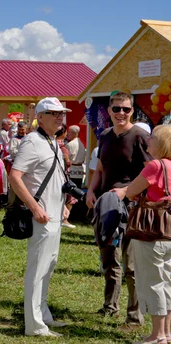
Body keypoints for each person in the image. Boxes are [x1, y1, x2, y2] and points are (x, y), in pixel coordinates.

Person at [86, 91, 150, 329]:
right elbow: (100, 169)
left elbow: (149, 173)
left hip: (131, 208)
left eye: (126, 109)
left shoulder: (140, 136)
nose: (121, 113)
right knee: (108, 259)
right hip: (105, 206)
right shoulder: (104, 135)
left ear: (132, 111)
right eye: (116, 109)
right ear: (109, 111)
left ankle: (134, 317)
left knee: (131, 265)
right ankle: (109, 306)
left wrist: (127, 191)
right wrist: (91, 191)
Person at [9, 97, 69, 337]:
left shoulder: (52, 141)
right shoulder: (32, 141)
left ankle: (43, 315)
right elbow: (15, 177)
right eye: (53, 113)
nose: (59, 117)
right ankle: (34, 324)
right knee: (38, 269)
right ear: (40, 117)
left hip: (55, 215)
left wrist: (65, 206)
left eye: (61, 113)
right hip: (41, 217)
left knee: (49, 266)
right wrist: (35, 208)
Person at [111, 125, 171, 344]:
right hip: (170, 231)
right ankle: (166, 332)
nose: (148, 142)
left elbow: (132, 190)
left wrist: (120, 191)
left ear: (161, 143)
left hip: (151, 232)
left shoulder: (155, 166)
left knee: (153, 281)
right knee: (168, 281)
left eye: (153, 139)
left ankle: (156, 335)